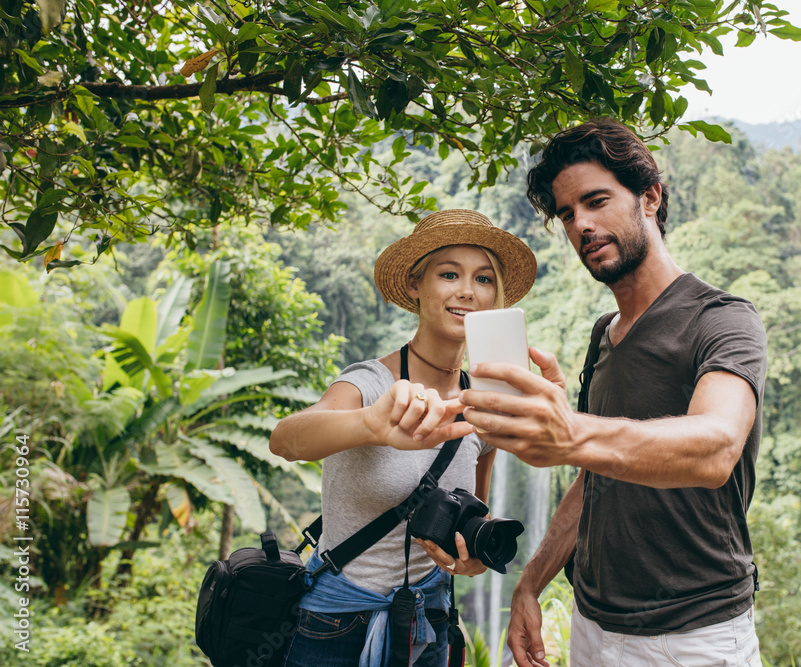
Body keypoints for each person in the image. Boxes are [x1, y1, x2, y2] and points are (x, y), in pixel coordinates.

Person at [459, 119, 768, 667]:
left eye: (597, 201)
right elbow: (594, 475)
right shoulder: (604, 333)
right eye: (568, 214)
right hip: (592, 625)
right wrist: (531, 582)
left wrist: (573, 430)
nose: (582, 224)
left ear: (650, 196)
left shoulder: (722, 320)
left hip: (691, 636)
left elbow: (717, 447)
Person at [269, 209, 537, 667]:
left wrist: (469, 557)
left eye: (484, 279)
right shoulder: (371, 385)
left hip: (427, 620)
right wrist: (371, 424)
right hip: (337, 623)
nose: (468, 291)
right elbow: (287, 439)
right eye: (449, 274)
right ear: (415, 285)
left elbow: (474, 510)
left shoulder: (484, 404)